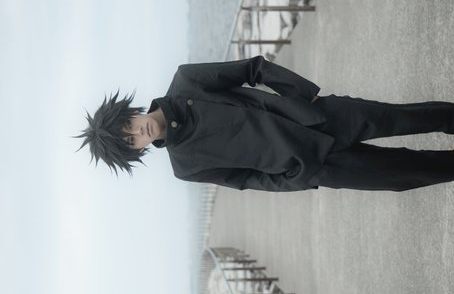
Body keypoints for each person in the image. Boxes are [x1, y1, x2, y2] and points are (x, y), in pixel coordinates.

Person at [78, 55, 454, 192]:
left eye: (128, 126)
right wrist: (297, 179)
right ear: (137, 151)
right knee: (403, 176)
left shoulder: (186, 82)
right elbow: (244, 179)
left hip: (322, 117)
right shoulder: (185, 167)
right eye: (130, 142)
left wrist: (305, 97)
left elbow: (253, 69)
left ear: (130, 112)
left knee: (408, 117)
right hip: (314, 165)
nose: (137, 133)